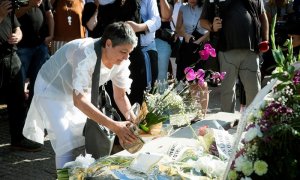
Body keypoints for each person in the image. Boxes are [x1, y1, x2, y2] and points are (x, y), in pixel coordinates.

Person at [22, 22, 139, 169]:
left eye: (129, 52)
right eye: (123, 52)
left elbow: (120, 96)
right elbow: (79, 100)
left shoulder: (121, 61)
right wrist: (115, 126)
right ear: (108, 44)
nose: (126, 57)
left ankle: (82, 174)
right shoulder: (85, 52)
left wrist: (133, 120)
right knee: (65, 139)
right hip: (52, 87)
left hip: (78, 91)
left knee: (87, 135)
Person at [200, 0, 269, 113]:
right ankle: (226, 126)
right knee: (227, 91)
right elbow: (202, 21)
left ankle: (254, 125)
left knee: (254, 91)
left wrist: (265, 39)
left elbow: (263, 16)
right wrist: (212, 26)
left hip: (251, 51)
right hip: (226, 50)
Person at [0, 0, 43, 151]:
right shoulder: (2, 9)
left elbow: (18, 28)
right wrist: (0, 15)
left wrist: (18, 36)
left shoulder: (5, 5)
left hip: (11, 56)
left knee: (17, 99)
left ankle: (18, 138)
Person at [15, 0, 54, 106]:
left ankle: (35, 108)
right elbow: (13, 14)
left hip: (40, 45)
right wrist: (30, 5)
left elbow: (49, 14)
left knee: (39, 80)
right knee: (19, 82)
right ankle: (21, 112)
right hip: (22, 47)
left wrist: (51, 35)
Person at [175, 0, 209, 80]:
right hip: (187, 45)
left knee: (199, 78)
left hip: (201, 46)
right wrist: (185, 35)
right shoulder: (183, 8)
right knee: (183, 77)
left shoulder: (205, 8)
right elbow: (178, 29)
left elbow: (212, 30)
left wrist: (198, 41)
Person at [155, 0, 173, 83]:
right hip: (141, 39)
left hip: (161, 40)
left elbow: (166, 16)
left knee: (161, 78)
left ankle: (161, 96)